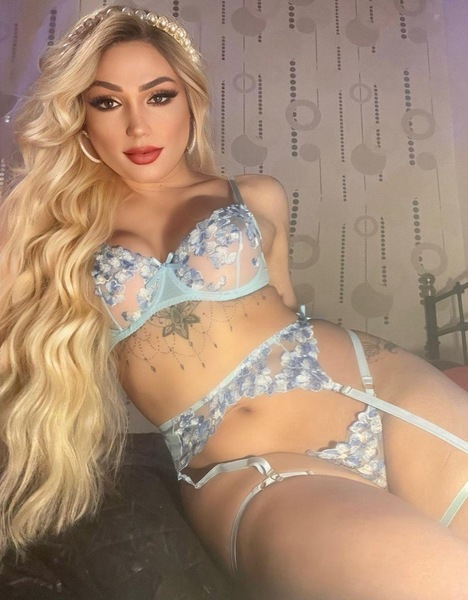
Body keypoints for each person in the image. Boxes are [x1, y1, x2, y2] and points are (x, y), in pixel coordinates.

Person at [0, 6, 467, 599]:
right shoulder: (46, 227)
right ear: (80, 115)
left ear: (190, 100)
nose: (138, 127)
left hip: (382, 392)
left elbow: (285, 307)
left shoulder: (256, 194)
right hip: (249, 469)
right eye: (108, 102)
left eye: (159, 96)